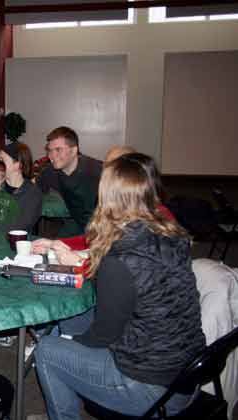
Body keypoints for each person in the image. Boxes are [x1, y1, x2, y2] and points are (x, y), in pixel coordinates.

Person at [29, 156, 206, 420]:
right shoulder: (172, 235)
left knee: (48, 350)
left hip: (151, 390)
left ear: (108, 196)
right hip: (188, 372)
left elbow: (103, 337)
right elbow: (138, 283)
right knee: (75, 316)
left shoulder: (119, 260)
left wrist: (70, 341)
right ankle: (66, 389)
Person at [33, 152, 174, 264]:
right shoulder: (123, 212)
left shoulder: (158, 219)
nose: (104, 173)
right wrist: (55, 243)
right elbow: (96, 239)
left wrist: (80, 262)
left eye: (113, 169)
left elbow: (127, 270)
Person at [37, 126, 103, 236]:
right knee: (53, 248)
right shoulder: (51, 171)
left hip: (102, 226)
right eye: (50, 150)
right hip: (76, 223)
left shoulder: (97, 172)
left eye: (58, 150)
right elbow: (32, 190)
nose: (52, 156)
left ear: (73, 150)